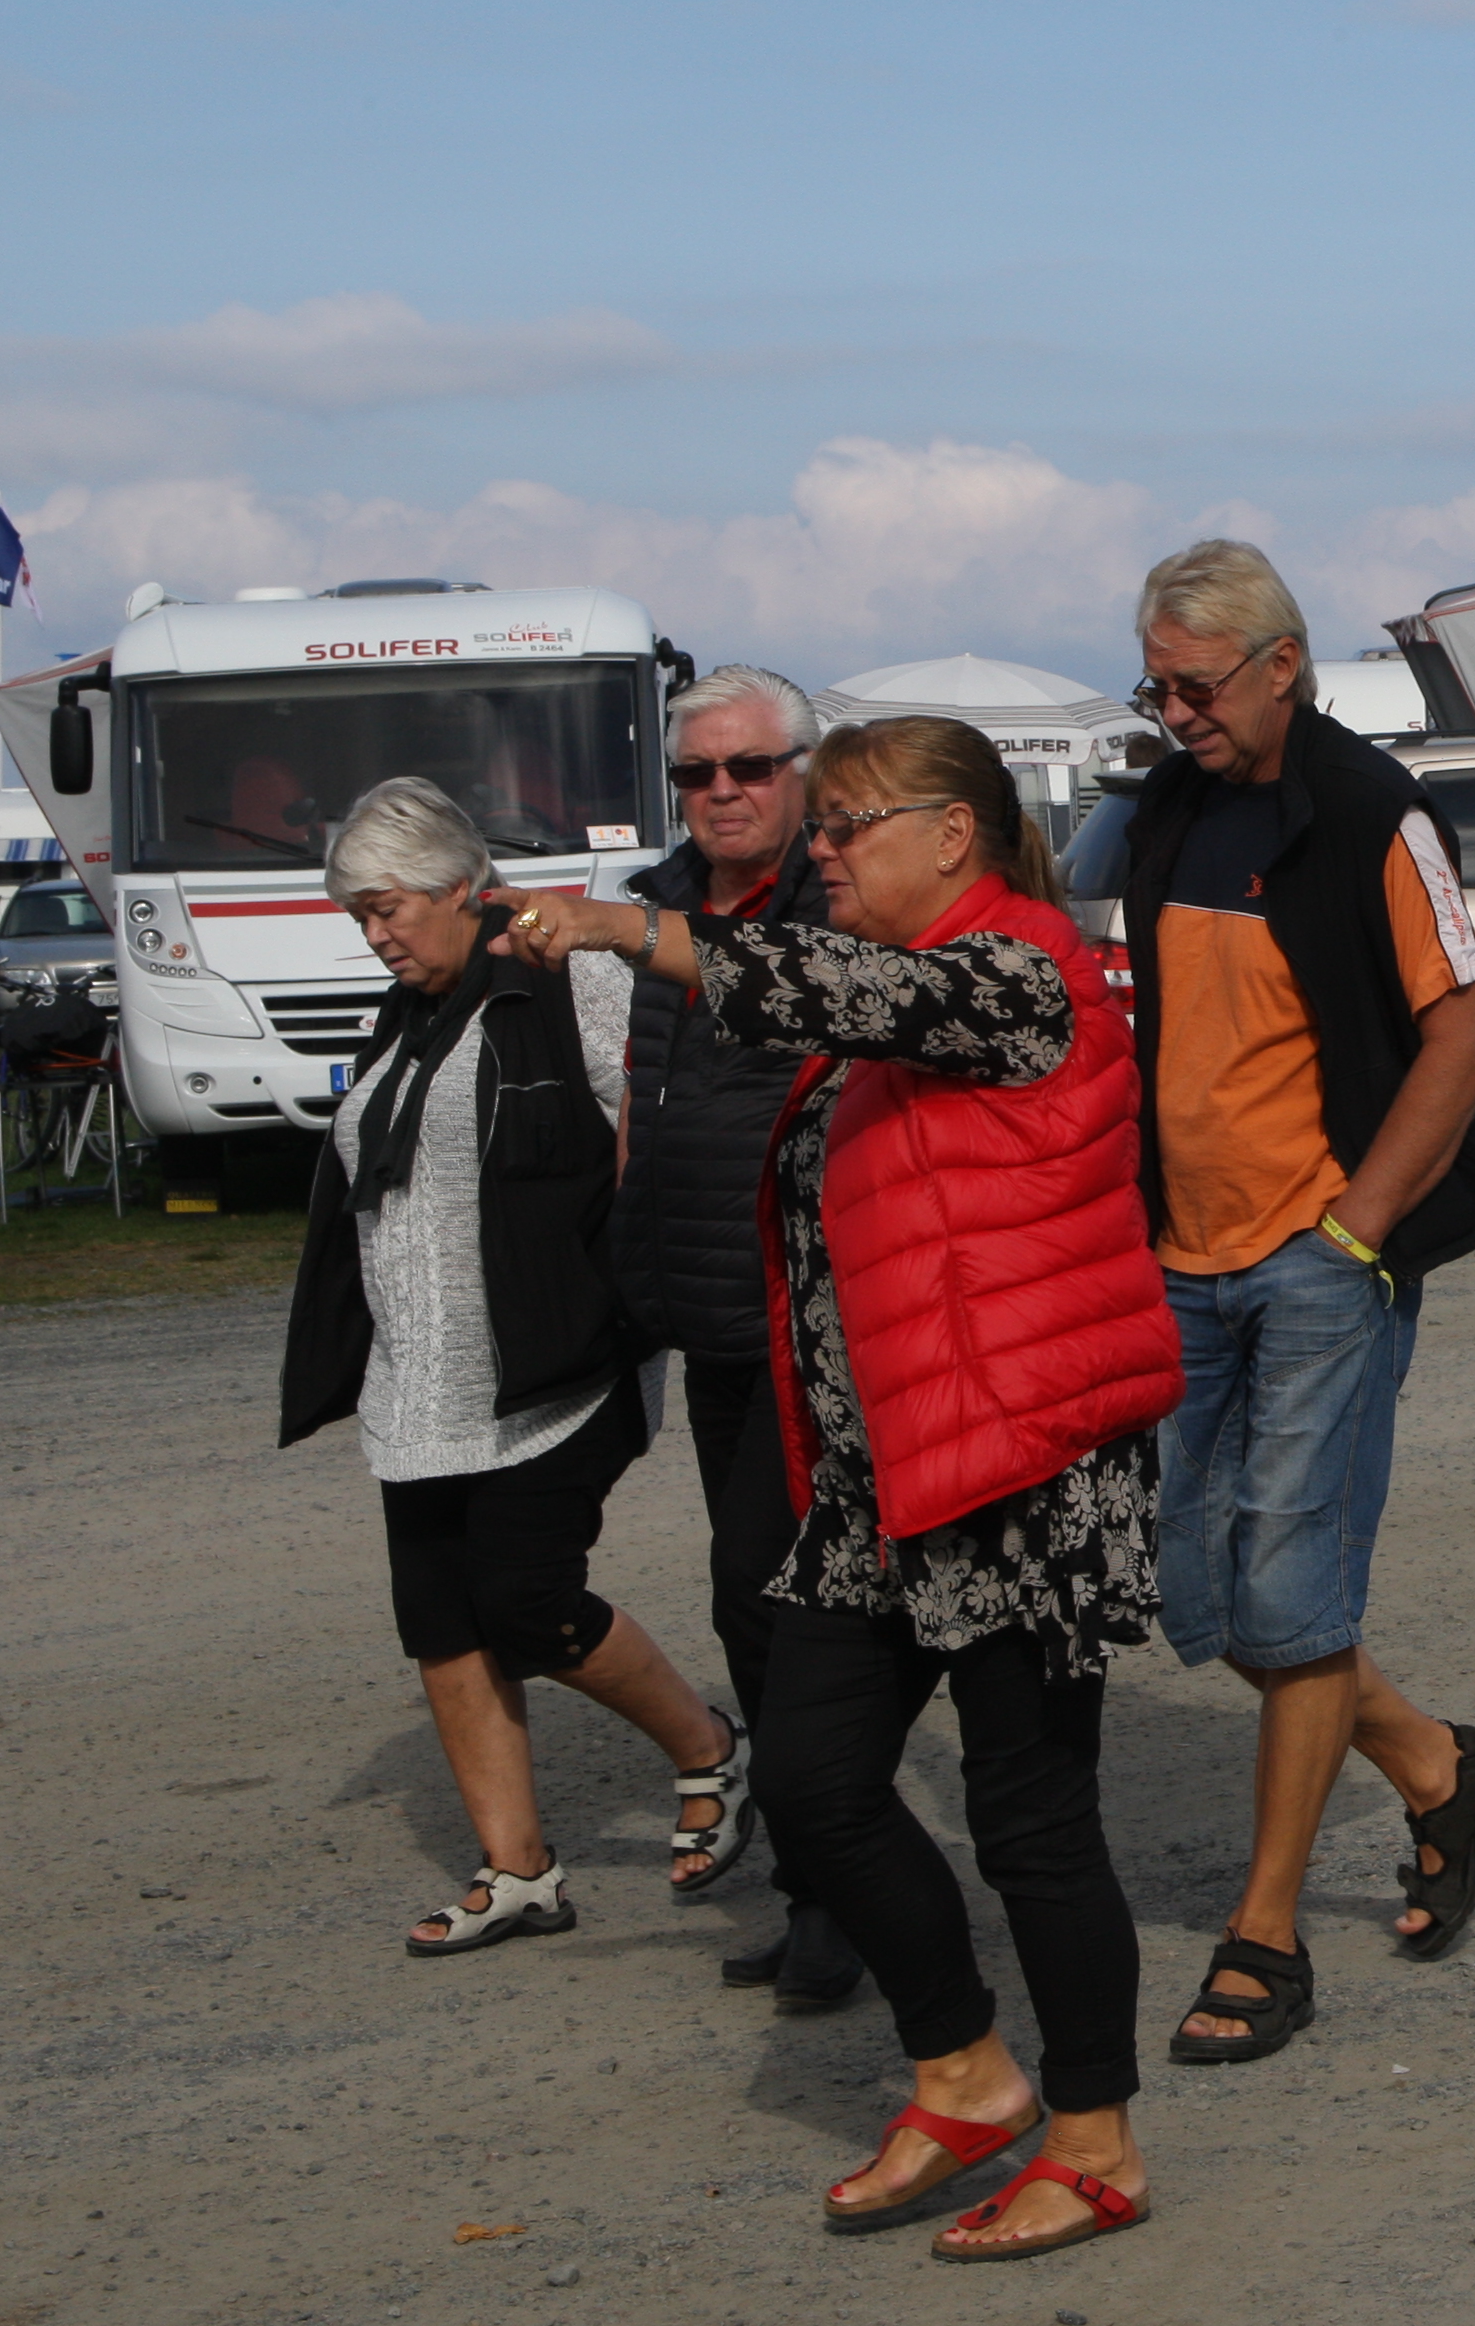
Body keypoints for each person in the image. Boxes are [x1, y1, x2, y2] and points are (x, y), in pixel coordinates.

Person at [502, 716, 1178, 2265]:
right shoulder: (903, 988)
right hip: (882, 1479)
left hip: (1019, 1469)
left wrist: (619, 926)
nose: (821, 846)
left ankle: (1097, 2143)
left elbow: (833, 986)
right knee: (812, 1783)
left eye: (847, 822)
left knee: (1030, 1823)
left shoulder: (1020, 974)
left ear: (953, 834)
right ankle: (965, 2073)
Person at [1116, 538, 1475, 2065]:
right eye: (1156, 690)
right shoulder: (1168, 810)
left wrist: (1356, 1232)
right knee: (1189, 1590)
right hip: (1180, 1262)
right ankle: (1437, 1766)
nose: (1177, 714)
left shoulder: (1374, 812)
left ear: (1281, 664)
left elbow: (1464, 1040)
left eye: (1195, 686)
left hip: (1316, 1265)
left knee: (1292, 1605)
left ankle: (1266, 1937)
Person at [277, 776, 749, 1959]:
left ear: (459, 888)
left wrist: (639, 1279)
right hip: (419, 1384)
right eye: (359, 918)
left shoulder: (566, 976)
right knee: (441, 1620)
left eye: (387, 910)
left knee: (526, 1599)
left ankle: (710, 1749)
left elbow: (651, 1121)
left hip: (554, 1367)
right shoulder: (409, 1011)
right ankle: (518, 1870)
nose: (376, 937)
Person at [612, 662, 860, 2006]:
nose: (721, 792)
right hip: (710, 1314)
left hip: (811, 1315)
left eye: (749, 768)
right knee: (747, 1599)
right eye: (696, 773)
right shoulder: (661, 899)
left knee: (789, 1601)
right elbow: (644, 1105)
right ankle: (822, 1880)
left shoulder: (833, 903)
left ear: (801, 773)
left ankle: (844, 1897)